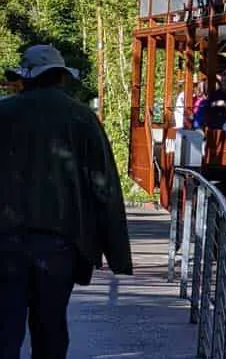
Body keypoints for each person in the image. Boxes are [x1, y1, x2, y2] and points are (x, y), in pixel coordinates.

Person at [0, 45, 133, 358]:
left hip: (5, 242)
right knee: (51, 330)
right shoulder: (82, 117)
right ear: (60, 77)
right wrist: (115, 252)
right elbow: (104, 186)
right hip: (59, 243)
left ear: (26, 78)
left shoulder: (3, 114)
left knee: (5, 329)